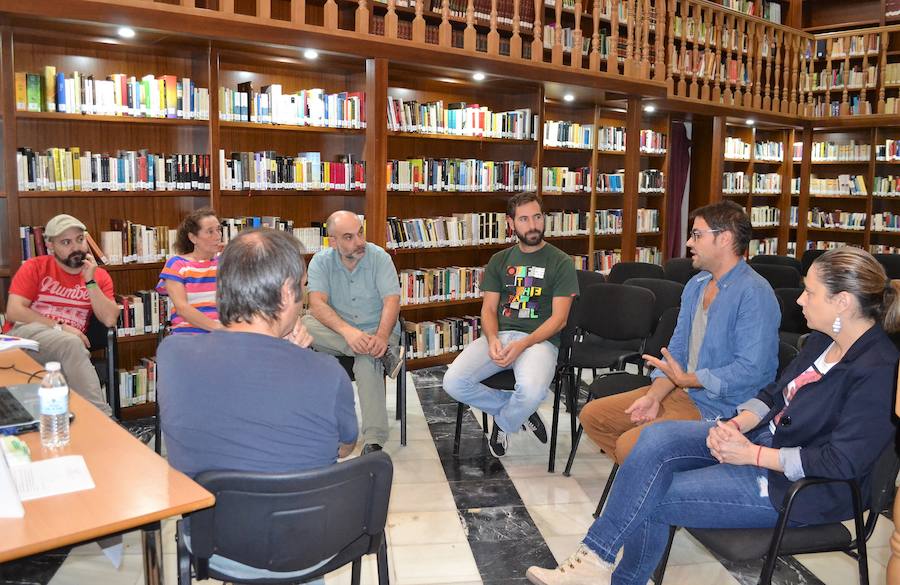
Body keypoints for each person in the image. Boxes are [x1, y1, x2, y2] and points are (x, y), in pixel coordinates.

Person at [525, 246, 900, 585]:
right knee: (656, 439)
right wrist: (736, 425)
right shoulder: (823, 341)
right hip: (759, 443)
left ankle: (613, 574)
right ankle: (597, 560)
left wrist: (751, 454)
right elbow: (772, 394)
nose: (800, 300)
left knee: (652, 493)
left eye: (811, 292)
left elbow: (840, 461)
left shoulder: (879, 369)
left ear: (844, 303)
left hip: (798, 488)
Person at [158, 228, 358, 582]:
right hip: (308, 548)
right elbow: (344, 448)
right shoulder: (326, 373)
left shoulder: (172, 356)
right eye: (303, 288)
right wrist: (297, 359)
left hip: (216, 544)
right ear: (285, 293)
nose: (304, 300)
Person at [578, 200, 780, 464]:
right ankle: (660, 477)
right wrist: (653, 396)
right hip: (681, 392)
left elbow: (750, 371)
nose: (688, 242)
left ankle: (661, 477)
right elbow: (675, 353)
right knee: (593, 416)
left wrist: (689, 379)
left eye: (697, 235)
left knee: (630, 447)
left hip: (723, 408)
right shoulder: (696, 285)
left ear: (725, 239)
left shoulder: (754, 293)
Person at [442, 192, 578, 457]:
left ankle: (504, 422)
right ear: (511, 223)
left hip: (539, 341)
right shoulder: (499, 260)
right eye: (524, 219)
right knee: (453, 382)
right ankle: (518, 411)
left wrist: (523, 344)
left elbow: (559, 319)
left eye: (537, 217)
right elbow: (489, 309)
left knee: (531, 391)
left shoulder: (561, 262)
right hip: (500, 336)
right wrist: (492, 339)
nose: (533, 225)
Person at [301, 210, 404, 455]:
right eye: (349, 237)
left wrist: (379, 337)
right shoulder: (320, 261)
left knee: (366, 360)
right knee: (304, 324)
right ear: (333, 241)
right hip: (338, 332)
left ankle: (374, 440)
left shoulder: (379, 257)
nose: (359, 242)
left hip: (379, 329)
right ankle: (383, 355)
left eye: (360, 233)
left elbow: (392, 301)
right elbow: (317, 304)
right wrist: (349, 333)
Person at [4, 214, 118, 415]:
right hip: (26, 339)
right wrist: (61, 327)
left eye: (80, 240)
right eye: (66, 242)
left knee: (70, 352)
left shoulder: (98, 275)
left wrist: (90, 281)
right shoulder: (35, 267)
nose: (76, 248)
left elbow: (109, 318)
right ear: (50, 245)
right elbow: (14, 311)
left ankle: (83, 428)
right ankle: (105, 419)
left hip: (65, 349)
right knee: (71, 343)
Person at [156, 208, 222, 334]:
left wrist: (234, 251)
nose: (218, 236)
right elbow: (182, 308)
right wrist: (219, 329)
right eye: (210, 232)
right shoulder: (177, 264)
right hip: (190, 335)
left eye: (218, 230)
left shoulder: (225, 262)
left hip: (225, 335)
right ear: (193, 238)